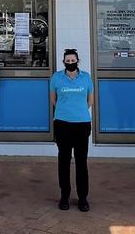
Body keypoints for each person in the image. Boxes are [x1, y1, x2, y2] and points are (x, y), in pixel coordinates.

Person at [50, 48, 94, 212]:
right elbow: (53, 99)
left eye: (72, 60)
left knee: (81, 162)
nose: (70, 63)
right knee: (64, 161)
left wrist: (78, 112)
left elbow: (90, 100)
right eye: (67, 61)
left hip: (82, 124)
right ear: (64, 62)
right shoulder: (56, 77)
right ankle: (64, 195)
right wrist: (66, 111)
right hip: (62, 124)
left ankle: (83, 197)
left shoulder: (86, 77)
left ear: (77, 61)